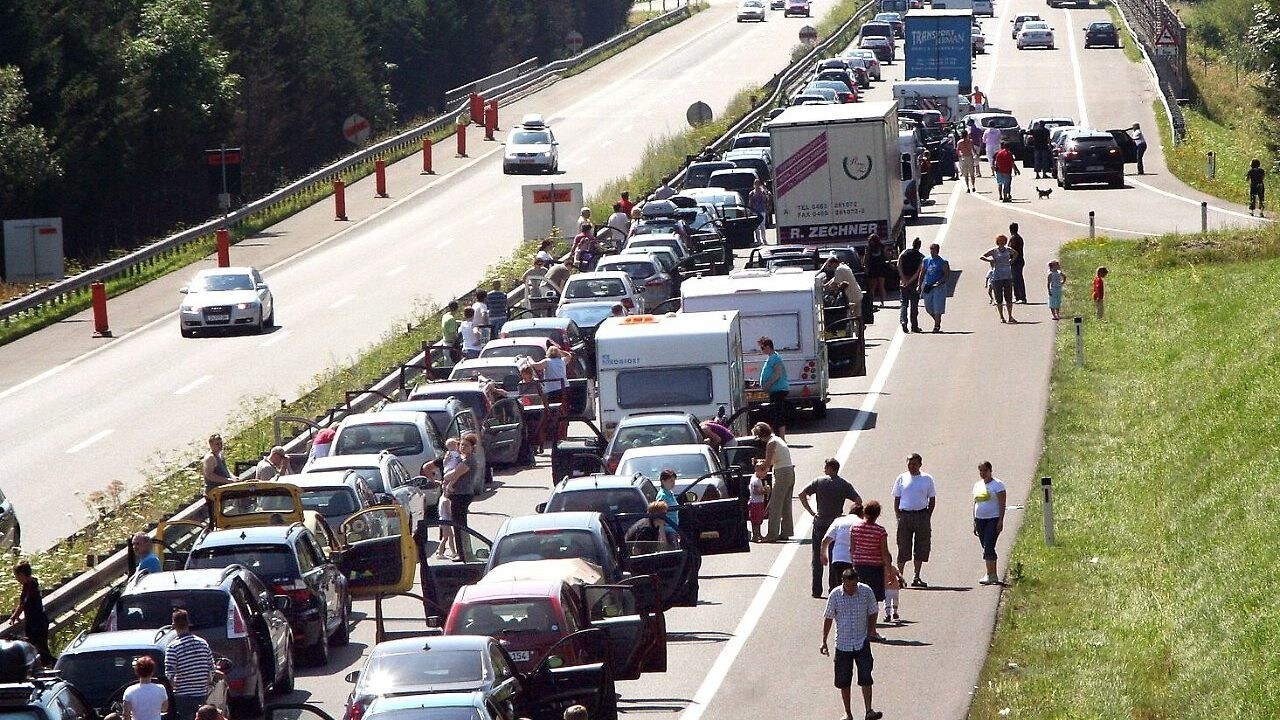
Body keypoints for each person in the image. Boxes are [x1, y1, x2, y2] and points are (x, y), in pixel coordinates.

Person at [820, 568, 884, 720]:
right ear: (843, 582)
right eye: (849, 586)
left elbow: (873, 611)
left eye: (854, 585)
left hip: (861, 642)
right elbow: (828, 618)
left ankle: (869, 710)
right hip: (843, 644)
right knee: (843, 680)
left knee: (866, 677)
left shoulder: (866, 592)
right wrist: (824, 640)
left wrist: (871, 631)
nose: (851, 589)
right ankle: (848, 713)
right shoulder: (835, 595)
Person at [799, 458, 862, 598]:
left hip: (820, 522)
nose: (824, 470)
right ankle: (832, 588)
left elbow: (802, 494)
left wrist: (812, 512)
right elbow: (858, 501)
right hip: (835, 523)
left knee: (817, 557)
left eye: (826, 467)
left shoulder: (819, 481)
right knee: (834, 557)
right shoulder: (844, 484)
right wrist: (847, 515)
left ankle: (816, 590)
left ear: (830, 468)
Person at [891, 453, 936, 588]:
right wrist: (898, 515)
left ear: (920, 464)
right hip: (905, 516)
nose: (911, 466)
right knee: (903, 546)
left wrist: (928, 515)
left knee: (921, 546)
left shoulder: (927, 479)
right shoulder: (901, 478)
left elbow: (932, 498)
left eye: (914, 464)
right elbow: (897, 498)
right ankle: (900, 577)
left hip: (922, 515)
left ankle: (916, 576)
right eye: (909, 463)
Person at [849, 500, 891, 632]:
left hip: (859, 566)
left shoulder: (854, 528)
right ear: (877, 515)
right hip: (875, 568)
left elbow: (852, 549)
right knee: (872, 600)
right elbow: (884, 552)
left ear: (864, 513)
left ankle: (859, 627)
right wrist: (889, 570)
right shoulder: (880, 531)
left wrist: (853, 564)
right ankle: (872, 630)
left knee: (859, 597)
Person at [164, 609, 213, 720]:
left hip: (183, 697)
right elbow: (211, 669)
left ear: (173, 625)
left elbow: (169, 677)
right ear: (188, 623)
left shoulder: (173, 647)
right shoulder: (203, 643)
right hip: (201, 694)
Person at [756, 423, 795, 542]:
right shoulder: (777, 439)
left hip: (782, 473)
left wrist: (757, 465)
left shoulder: (771, 443)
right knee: (786, 504)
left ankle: (772, 534)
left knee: (775, 505)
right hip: (789, 471)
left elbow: (767, 464)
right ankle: (786, 531)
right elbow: (773, 460)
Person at [9, 562, 53, 666]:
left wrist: (14, 616)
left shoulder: (30, 585)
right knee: (38, 646)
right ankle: (44, 665)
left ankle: (48, 665)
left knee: (39, 647)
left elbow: (23, 603)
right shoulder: (31, 583)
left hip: (37, 621)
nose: (17, 579)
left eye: (17, 576)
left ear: (22, 575)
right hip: (36, 620)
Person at [973, 461, 1007, 585]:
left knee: (988, 545)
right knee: (986, 545)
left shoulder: (998, 485)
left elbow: (1002, 504)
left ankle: (990, 574)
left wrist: (1000, 520)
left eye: (985, 471)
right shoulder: (977, 485)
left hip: (993, 519)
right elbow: (975, 503)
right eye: (981, 471)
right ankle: (992, 574)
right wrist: (975, 522)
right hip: (980, 519)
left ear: (990, 471)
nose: (983, 473)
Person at [820, 505, 862, 591]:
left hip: (838, 558)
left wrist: (823, 555)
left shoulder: (839, 521)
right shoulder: (861, 522)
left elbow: (825, 540)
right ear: (862, 514)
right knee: (853, 589)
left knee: (837, 587)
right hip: (853, 560)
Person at [980, 235, 1018, 324]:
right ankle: (1001, 316)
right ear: (997, 242)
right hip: (997, 276)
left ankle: (1010, 316)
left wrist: (1011, 261)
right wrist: (989, 261)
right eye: (1000, 241)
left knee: (1009, 297)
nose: (1002, 242)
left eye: (1003, 241)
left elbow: (1016, 253)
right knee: (999, 297)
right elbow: (982, 256)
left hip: (1007, 275)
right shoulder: (994, 251)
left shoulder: (1008, 249)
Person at [435, 439, 463, 559]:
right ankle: (450, 552)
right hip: (445, 522)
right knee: (448, 537)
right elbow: (449, 512)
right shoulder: (446, 500)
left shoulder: (447, 455)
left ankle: (441, 552)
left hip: (443, 521)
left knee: (446, 537)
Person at [757, 337, 789, 438]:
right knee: (775, 414)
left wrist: (768, 384)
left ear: (768, 347)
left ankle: (781, 437)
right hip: (774, 390)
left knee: (778, 414)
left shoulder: (775, 358)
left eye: (762, 348)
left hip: (778, 389)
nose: (761, 350)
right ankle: (778, 436)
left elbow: (777, 373)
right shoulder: (771, 358)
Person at [122, 656, 168, 720]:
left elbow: (126, 715)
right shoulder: (161, 689)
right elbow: (164, 708)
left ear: (137, 671)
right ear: (152, 672)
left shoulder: (129, 691)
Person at [920, 242, 950, 333]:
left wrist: (940, 282)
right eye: (931, 250)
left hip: (938, 287)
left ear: (937, 251)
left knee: (937, 307)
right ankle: (937, 320)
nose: (932, 252)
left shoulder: (943, 262)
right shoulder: (926, 260)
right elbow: (922, 272)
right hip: (928, 286)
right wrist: (919, 284)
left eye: (933, 250)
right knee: (928, 307)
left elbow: (946, 274)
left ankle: (936, 326)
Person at [897, 237, 925, 333]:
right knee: (914, 304)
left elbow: (898, 265)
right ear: (919, 246)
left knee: (903, 303)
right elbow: (918, 271)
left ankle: (903, 321)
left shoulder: (904, 253)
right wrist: (910, 281)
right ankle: (914, 326)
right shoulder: (921, 256)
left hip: (903, 281)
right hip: (913, 282)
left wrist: (903, 279)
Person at [861, 234, 888, 308]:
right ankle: (872, 302)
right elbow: (866, 258)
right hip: (876, 268)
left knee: (880, 286)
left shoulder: (874, 247)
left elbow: (866, 258)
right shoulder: (879, 247)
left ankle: (882, 302)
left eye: (871, 241)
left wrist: (865, 266)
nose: (870, 242)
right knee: (873, 286)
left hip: (877, 268)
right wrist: (865, 267)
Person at [748, 460, 768, 543]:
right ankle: (755, 535)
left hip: (758, 502)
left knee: (758, 520)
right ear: (759, 471)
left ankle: (758, 534)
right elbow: (756, 492)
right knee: (756, 520)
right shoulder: (756, 481)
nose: (765, 475)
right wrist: (765, 491)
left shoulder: (756, 478)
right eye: (765, 473)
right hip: (755, 503)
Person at [1008, 222, 1027, 303]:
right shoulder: (1018, 238)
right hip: (1018, 260)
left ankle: (1022, 297)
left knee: (1018, 279)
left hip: (1016, 261)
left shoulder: (1014, 238)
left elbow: (1012, 250)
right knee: (1015, 279)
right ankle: (1017, 297)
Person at [748, 180, 771, 245]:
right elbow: (750, 203)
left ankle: (764, 239)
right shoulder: (752, 193)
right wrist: (750, 211)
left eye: (758, 184)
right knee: (756, 227)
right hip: (755, 211)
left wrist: (762, 194)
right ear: (754, 185)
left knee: (762, 226)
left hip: (762, 210)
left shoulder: (763, 192)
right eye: (756, 184)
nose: (757, 185)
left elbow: (766, 200)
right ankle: (758, 240)